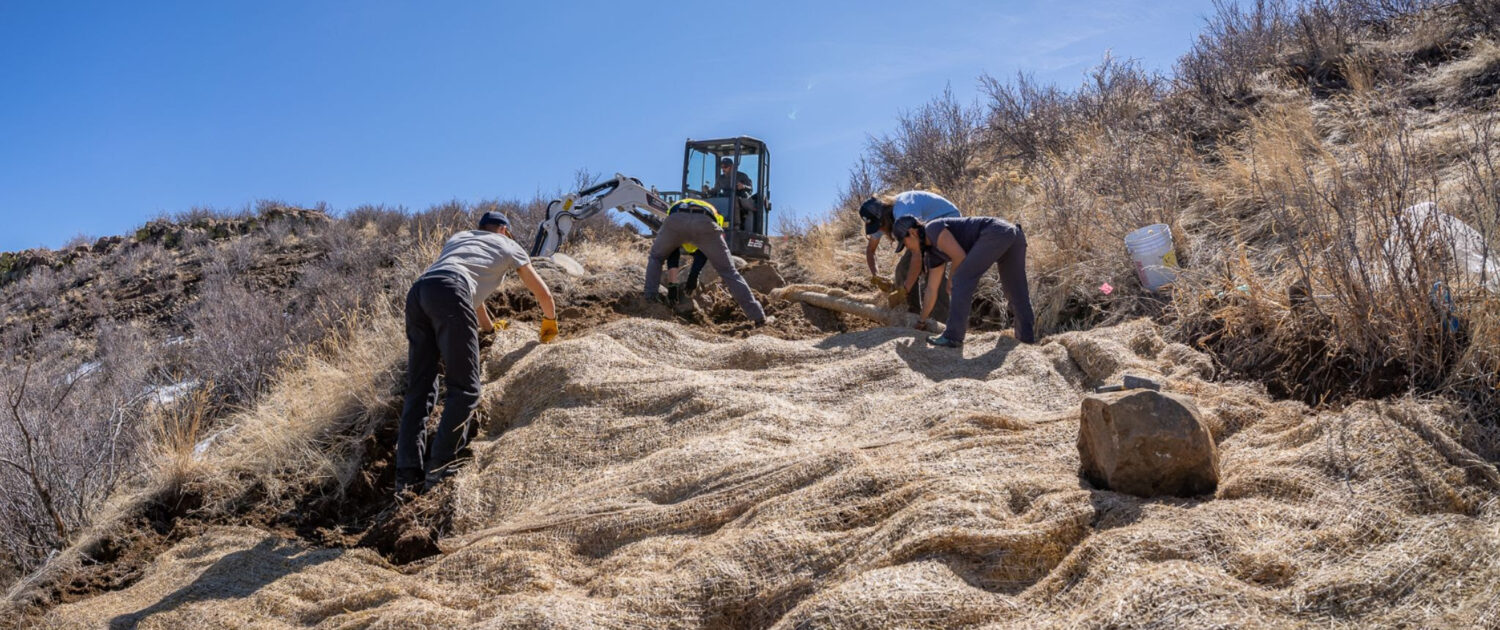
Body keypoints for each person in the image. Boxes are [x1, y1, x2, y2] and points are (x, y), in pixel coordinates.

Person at [397, 211, 558, 496]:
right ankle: (440, 468)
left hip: (420, 292)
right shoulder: (508, 245)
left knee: (420, 390)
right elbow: (541, 292)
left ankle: (407, 478)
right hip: (451, 292)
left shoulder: (459, 239)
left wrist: (489, 328)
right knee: (466, 389)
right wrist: (550, 321)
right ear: (505, 231)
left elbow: (474, 299)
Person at [894, 214, 1035, 347]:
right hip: (1011, 234)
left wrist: (951, 279)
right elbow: (931, 290)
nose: (907, 247)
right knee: (1016, 291)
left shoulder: (933, 228)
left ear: (912, 233)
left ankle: (952, 336)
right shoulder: (933, 255)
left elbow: (959, 256)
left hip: (996, 232)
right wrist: (921, 321)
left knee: (960, 279)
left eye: (904, 243)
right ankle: (1026, 339)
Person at [645, 198, 769, 326]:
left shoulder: (677, 206)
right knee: (729, 271)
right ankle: (758, 316)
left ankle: (649, 299)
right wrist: (693, 277)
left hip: (676, 220)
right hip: (706, 223)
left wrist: (673, 285)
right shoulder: (715, 213)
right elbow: (703, 253)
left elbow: (672, 254)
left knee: (656, 257)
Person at [859, 191, 960, 319]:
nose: (880, 231)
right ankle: (911, 316)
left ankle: (941, 321)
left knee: (933, 269)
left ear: (884, 216)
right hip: (925, 229)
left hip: (948, 222)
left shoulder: (904, 211)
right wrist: (876, 275)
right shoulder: (881, 222)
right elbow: (870, 250)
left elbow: (917, 255)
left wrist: (904, 290)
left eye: (879, 226)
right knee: (903, 270)